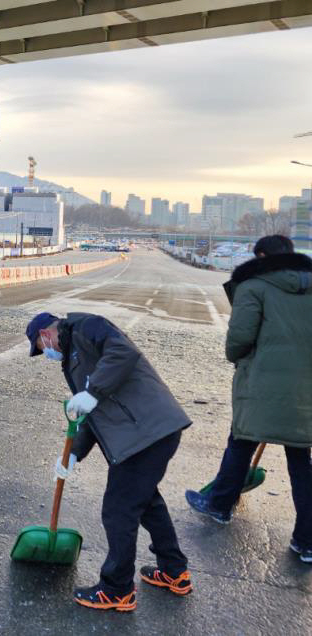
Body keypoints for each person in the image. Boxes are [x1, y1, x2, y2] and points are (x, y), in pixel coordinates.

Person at [26, 311, 192, 612]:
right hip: (146, 434)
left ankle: (117, 589)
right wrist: (74, 453)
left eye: (41, 347)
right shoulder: (72, 359)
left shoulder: (86, 327)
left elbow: (123, 353)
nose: (45, 353)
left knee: (119, 509)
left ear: (45, 334)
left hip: (147, 432)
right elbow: (92, 416)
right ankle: (174, 571)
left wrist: (92, 392)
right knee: (147, 503)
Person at [185, 235, 312, 563]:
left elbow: (239, 338)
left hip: (262, 384)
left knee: (240, 442)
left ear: (262, 255)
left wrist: (235, 355)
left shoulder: (254, 286)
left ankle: (219, 506)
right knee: (301, 461)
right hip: (305, 391)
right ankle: (307, 541)